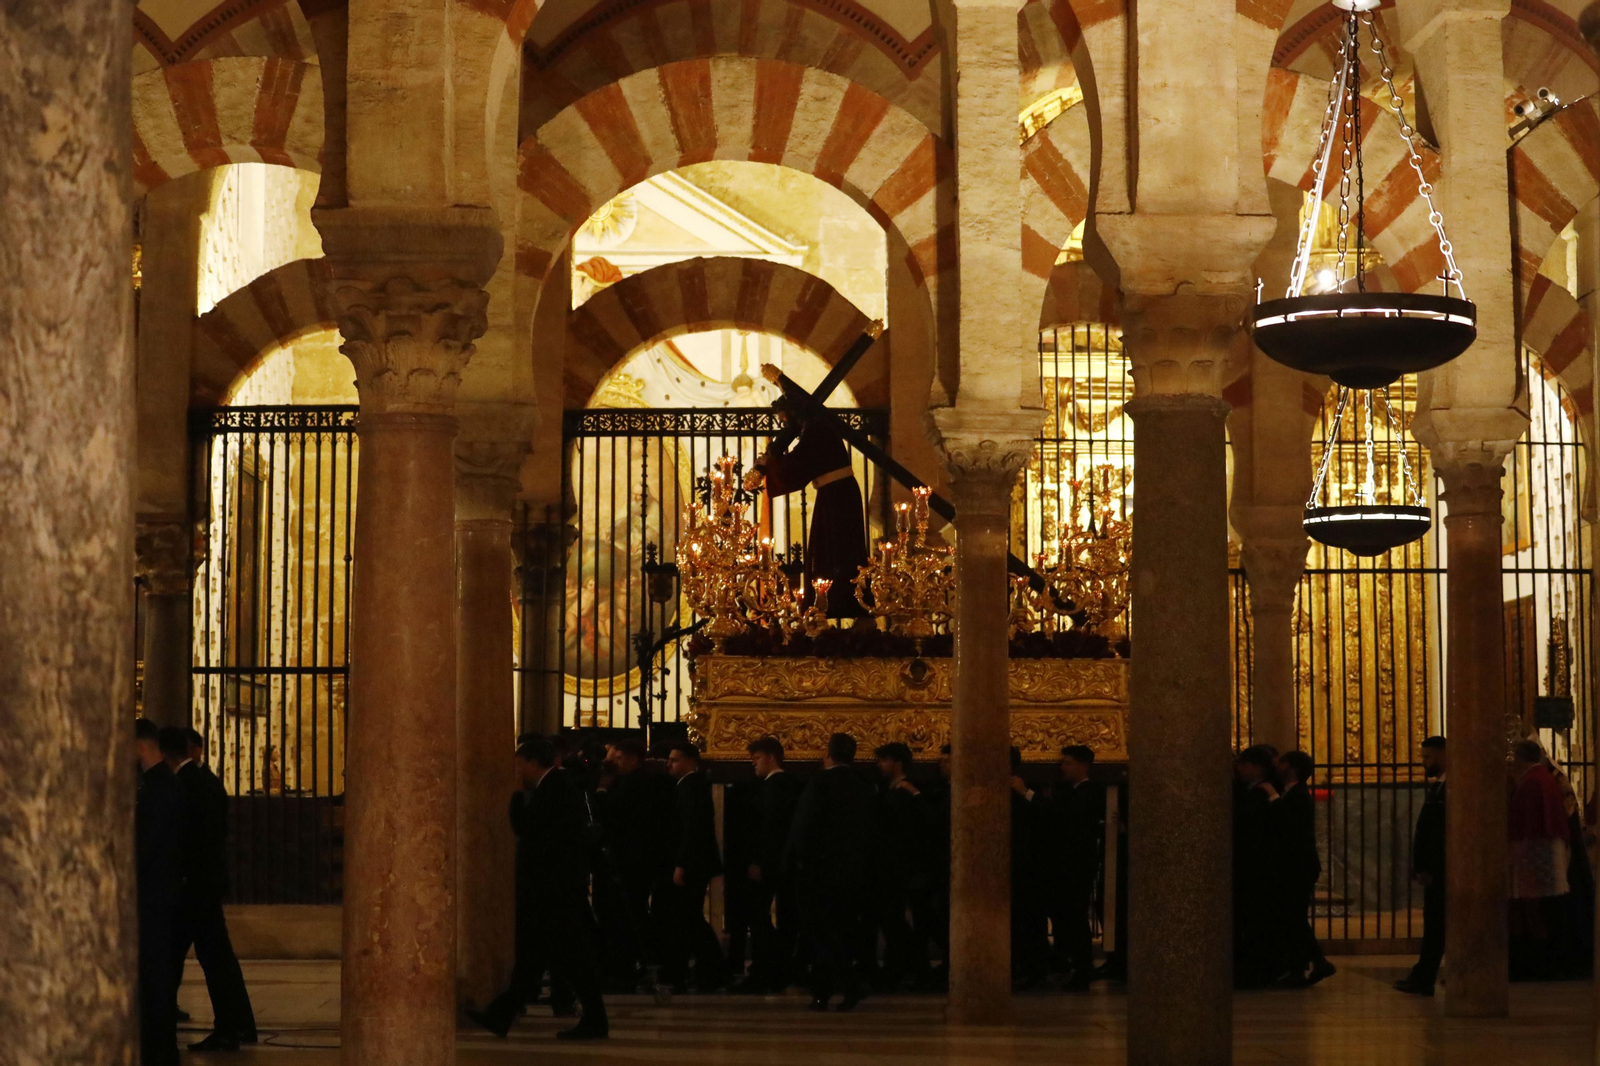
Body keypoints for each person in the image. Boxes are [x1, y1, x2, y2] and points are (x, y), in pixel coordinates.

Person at [470, 738, 608, 1040]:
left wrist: (516, 798)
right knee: (538, 958)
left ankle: (595, 1021)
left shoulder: (553, 789)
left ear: (533, 762)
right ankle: (501, 1015)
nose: (517, 771)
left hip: (553, 890)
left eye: (520, 764)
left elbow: (530, 831)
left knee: (565, 958)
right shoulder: (556, 785)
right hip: (555, 889)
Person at [161, 726, 257, 1050]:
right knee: (218, 958)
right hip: (207, 884)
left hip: (191, 888)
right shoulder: (210, 782)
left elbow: (182, 840)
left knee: (181, 956)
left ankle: (165, 1026)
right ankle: (240, 1024)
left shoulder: (182, 785)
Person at [743, 372, 868, 617]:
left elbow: (798, 465)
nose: (784, 427)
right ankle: (831, 607)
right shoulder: (815, 427)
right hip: (834, 495)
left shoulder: (816, 430)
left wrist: (769, 463)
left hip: (837, 498)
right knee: (832, 552)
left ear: (792, 415)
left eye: (783, 420)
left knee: (838, 554)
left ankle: (842, 607)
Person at [787, 732, 877, 1010]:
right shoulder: (863, 786)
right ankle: (822, 993)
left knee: (819, 931)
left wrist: (797, 861)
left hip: (819, 871)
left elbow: (803, 826)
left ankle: (848, 985)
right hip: (852, 871)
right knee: (838, 930)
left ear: (828, 754)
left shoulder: (820, 782)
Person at [595, 736, 668, 990]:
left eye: (619, 758)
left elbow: (615, 817)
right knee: (623, 914)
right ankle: (621, 967)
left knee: (627, 915)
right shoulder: (629, 781)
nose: (614, 763)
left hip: (632, 861)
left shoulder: (637, 784)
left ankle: (625, 970)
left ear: (633, 759)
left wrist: (602, 791)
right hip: (628, 858)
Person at [135, 718, 183, 1066]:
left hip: (154, 897)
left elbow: (146, 847)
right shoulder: (163, 784)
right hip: (163, 894)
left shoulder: (158, 788)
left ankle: (158, 1049)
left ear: (139, 744)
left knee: (154, 977)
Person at [1508, 737, 1576, 980]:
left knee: (1533, 910)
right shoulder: (1541, 777)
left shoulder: (1533, 781)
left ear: (1520, 757)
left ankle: (1535, 964)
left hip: (1534, 852)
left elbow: (1526, 821)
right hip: (1543, 849)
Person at [741, 736, 803, 992]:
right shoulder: (791, 785)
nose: (753, 764)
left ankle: (767, 969)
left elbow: (769, 829)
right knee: (786, 918)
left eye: (756, 759)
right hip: (787, 864)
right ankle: (782, 968)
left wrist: (759, 861)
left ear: (770, 757)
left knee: (757, 916)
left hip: (770, 863)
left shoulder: (773, 787)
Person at [664, 742, 727, 991]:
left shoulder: (692, 787)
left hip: (692, 865)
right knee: (688, 918)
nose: (669, 764)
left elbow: (692, 830)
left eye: (675, 759)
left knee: (688, 918)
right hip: (693, 863)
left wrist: (681, 864)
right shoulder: (688, 786)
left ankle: (712, 969)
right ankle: (708, 970)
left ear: (691, 761)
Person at [871, 742, 929, 989]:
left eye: (884, 760)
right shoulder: (895, 791)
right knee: (893, 920)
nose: (879, 765)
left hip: (897, 869)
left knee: (894, 920)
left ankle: (907, 968)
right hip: (896, 868)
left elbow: (904, 837)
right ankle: (904, 967)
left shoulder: (902, 794)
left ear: (897, 763)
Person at [1273, 750, 1334, 987]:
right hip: (1296, 865)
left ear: (1292, 768)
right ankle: (1315, 963)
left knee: (1295, 918)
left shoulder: (1297, 795)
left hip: (1298, 866)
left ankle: (1304, 967)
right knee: (1294, 918)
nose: (1278, 766)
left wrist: (1272, 799)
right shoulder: (1292, 792)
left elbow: (1289, 826)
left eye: (1282, 763)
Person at [1048, 745, 1103, 990]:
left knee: (1076, 917)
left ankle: (1083, 969)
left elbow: (1068, 819)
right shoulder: (1068, 792)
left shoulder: (1089, 793)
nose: (1063, 767)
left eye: (1068, 762)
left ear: (1082, 765)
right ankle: (1071, 963)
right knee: (1066, 917)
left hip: (1078, 865)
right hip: (1065, 864)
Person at [1397, 735, 1446, 995]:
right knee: (1433, 923)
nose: (1424, 762)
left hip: (1441, 870)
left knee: (1437, 924)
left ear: (1443, 755)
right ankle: (1422, 974)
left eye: (1428, 757)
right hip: (1433, 869)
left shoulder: (1451, 787)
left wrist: (1430, 867)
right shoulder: (1440, 785)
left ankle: (1425, 976)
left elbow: (1439, 834)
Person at [1233, 745, 1281, 988]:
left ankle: (1254, 972)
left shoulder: (1259, 795)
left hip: (1254, 868)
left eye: (1242, 763)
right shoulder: (1250, 791)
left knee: (1254, 922)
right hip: (1252, 867)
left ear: (1256, 767)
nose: (1238, 768)